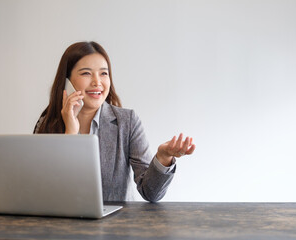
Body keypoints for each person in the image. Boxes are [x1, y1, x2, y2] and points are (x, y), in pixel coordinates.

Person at [34, 41, 196, 202]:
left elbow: (151, 193)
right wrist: (70, 134)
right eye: (86, 73)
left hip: (116, 226)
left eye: (104, 73)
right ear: (67, 81)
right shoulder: (47, 123)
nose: (97, 82)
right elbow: (44, 192)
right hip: (64, 225)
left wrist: (163, 157)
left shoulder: (127, 122)